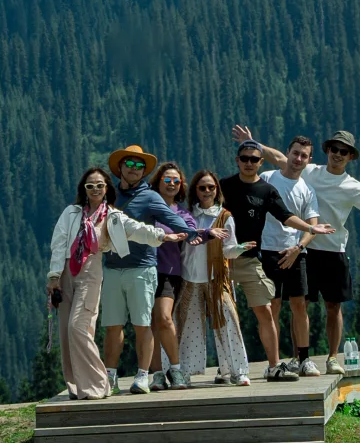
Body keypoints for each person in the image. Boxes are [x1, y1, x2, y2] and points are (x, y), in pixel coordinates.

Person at [233, 125, 360, 375]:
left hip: (333, 249)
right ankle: (298, 358)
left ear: (350, 156)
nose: (338, 154)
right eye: (334, 149)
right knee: (300, 305)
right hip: (303, 249)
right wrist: (254, 144)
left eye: (344, 151)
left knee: (333, 306)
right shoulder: (309, 170)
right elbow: (279, 158)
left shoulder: (352, 186)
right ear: (327, 150)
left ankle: (332, 357)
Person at [102, 144, 220, 395]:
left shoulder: (151, 198)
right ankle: (125, 376)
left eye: (139, 165)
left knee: (156, 321)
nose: (134, 168)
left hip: (152, 269)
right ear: (120, 167)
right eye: (129, 163)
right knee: (117, 325)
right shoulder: (109, 195)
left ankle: (169, 370)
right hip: (113, 268)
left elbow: (175, 220)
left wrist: (195, 234)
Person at [219, 139, 335, 381]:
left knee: (280, 308)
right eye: (245, 158)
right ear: (237, 160)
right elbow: (207, 208)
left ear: (260, 162)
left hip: (263, 256)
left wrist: (308, 233)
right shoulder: (227, 185)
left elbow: (285, 215)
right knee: (227, 310)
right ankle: (226, 366)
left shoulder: (268, 188)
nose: (249, 163)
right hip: (235, 256)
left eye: (254, 159)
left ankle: (286, 362)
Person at [47, 167, 167, 400]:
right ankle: (77, 386)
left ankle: (99, 383)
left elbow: (137, 229)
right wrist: (53, 276)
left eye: (100, 185)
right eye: (90, 185)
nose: (95, 189)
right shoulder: (71, 212)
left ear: (106, 189)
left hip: (91, 274)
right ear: (84, 189)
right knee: (65, 333)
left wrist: (162, 236)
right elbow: (59, 243)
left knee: (78, 327)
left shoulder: (112, 216)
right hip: (65, 274)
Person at [175, 170, 252, 386]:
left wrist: (239, 249)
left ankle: (237, 371)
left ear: (217, 189)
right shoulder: (187, 215)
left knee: (228, 322)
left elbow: (228, 250)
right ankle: (185, 371)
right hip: (189, 278)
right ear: (195, 190)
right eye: (202, 187)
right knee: (187, 326)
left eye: (211, 187)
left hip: (216, 278)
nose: (207, 191)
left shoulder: (225, 216)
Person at [259, 136, 321, 376]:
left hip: (296, 253)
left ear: (309, 160)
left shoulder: (307, 190)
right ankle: (274, 363)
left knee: (299, 305)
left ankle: (304, 359)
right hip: (267, 250)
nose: (298, 159)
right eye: (295, 153)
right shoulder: (268, 178)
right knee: (272, 307)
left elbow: (312, 226)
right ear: (288, 152)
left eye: (304, 155)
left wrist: (298, 248)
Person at [147, 162, 196, 391]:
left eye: (176, 181)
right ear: (158, 182)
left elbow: (192, 233)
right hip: (143, 270)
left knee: (164, 318)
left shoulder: (183, 213)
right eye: (167, 179)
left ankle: (175, 369)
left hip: (169, 272)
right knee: (150, 323)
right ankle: (157, 374)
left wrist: (207, 233)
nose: (172, 184)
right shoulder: (147, 208)